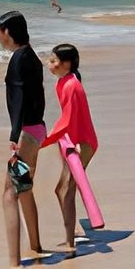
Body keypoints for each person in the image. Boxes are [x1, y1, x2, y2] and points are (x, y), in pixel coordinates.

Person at [0, 10, 46, 268]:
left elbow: (18, 101)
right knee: (24, 189)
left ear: (7, 32)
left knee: (9, 193)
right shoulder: (33, 56)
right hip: (38, 128)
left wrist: (14, 137)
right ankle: (36, 247)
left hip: (26, 132)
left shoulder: (17, 59)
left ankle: (15, 262)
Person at [40, 43, 98, 256]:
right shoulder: (64, 83)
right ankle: (73, 231)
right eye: (50, 60)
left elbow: (66, 120)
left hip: (83, 145)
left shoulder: (71, 85)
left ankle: (70, 242)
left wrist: (44, 141)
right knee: (61, 189)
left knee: (67, 190)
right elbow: (67, 121)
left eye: (54, 61)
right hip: (70, 141)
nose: (50, 65)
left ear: (67, 64)